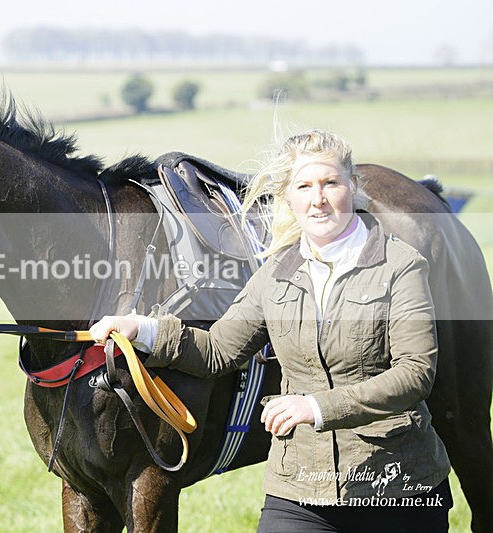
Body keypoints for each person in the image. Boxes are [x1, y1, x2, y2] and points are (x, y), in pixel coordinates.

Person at [90, 129, 453, 532]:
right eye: (304, 186)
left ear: (352, 187)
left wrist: (316, 408)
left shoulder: (401, 266)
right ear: (288, 198)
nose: (318, 198)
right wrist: (143, 329)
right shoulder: (275, 274)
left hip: (397, 485)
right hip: (299, 488)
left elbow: (415, 373)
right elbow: (218, 351)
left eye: (330, 183)